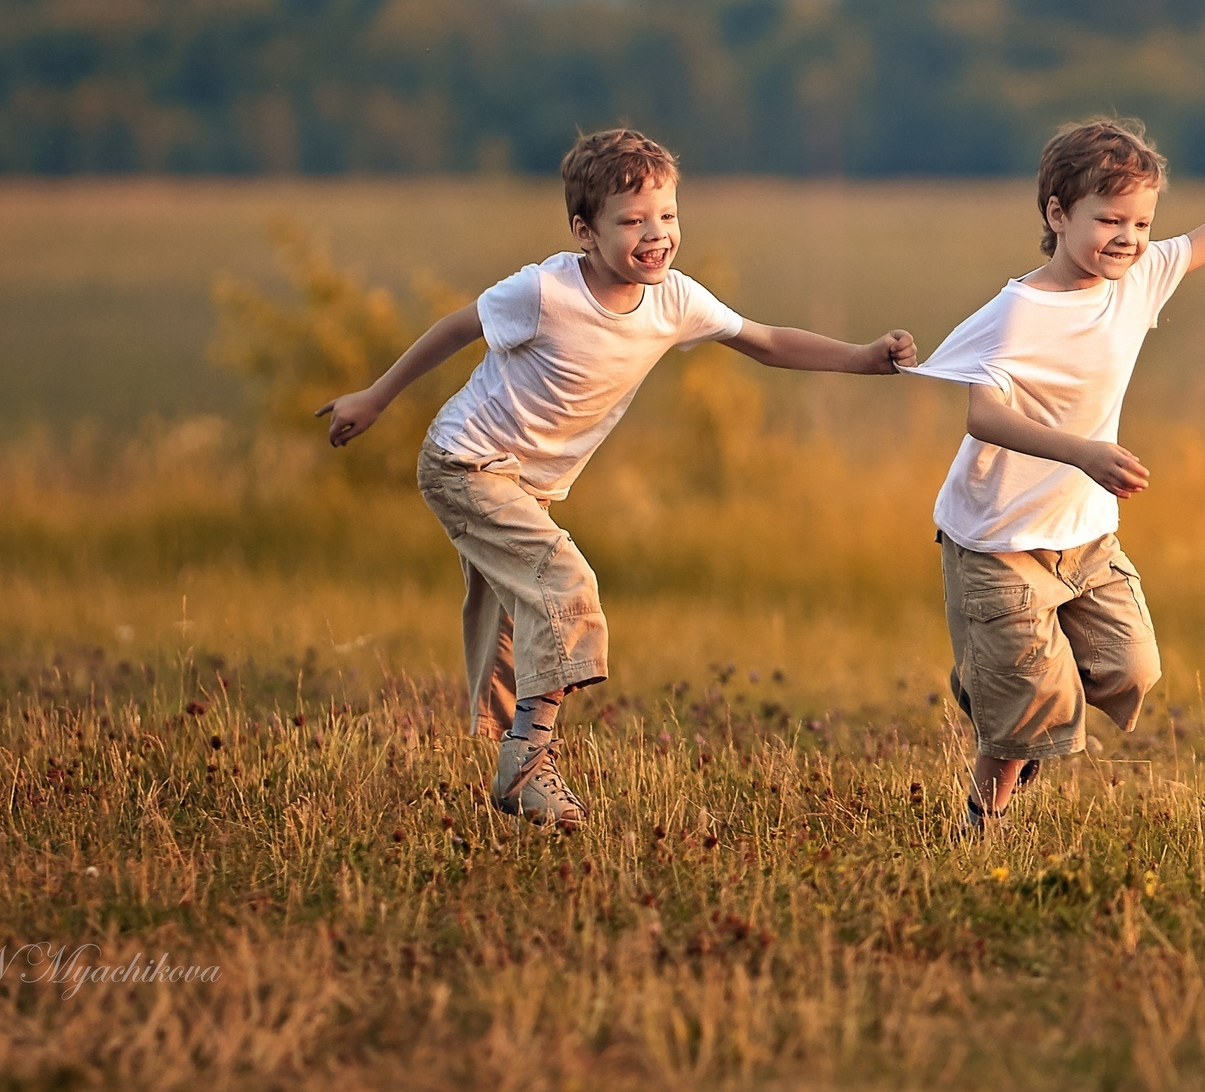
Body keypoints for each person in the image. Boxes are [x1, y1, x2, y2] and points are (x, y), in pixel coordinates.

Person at [315, 127, 915, 830]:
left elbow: (767, 341)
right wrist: (376, 397)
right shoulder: (542, 291)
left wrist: (865, 358)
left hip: (529, 486)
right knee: (565, 589)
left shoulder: (674, 301)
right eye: (631, 221)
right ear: (585, 231)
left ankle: (487, 747)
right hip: (465, 465)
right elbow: (456, 328)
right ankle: (528, 768)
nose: (655, 234)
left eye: (667, 216)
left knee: (508, 622)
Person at [907, 111, 1205, 832]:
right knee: (1031, 715)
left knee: (1130, 670)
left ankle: (998, 682)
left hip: (1084, 537)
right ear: (1056, 213)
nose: (1130, 239)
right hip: (997, 542)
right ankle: (982, 817)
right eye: (1110, 220)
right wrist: (1083, 451)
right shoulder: (1018, 313)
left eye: (1141, 223)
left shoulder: (1138, 280)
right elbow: (983, 418)